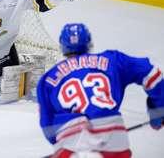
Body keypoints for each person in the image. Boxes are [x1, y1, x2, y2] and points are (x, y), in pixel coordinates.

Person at [37, 23, 164, 158]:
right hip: (114, 134)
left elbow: (47, 125)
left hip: (73, 138)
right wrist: (158, 110)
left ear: (62, 46)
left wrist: (60, 146)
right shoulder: (113, 60)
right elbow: (151, 73)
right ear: (89, 43)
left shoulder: (47, 79)